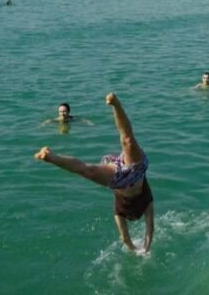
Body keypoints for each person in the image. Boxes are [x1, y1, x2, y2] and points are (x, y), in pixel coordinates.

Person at [34, 93, 154, 253]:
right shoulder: (147, 202)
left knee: (87, 171)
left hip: (117, 178)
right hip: (137, 170)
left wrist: (135, 250)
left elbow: (125, 239)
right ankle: (115, 104)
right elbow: (150, 228)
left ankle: (50, 157)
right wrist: (146, 248)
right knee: (128, 141)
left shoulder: (119, 210)